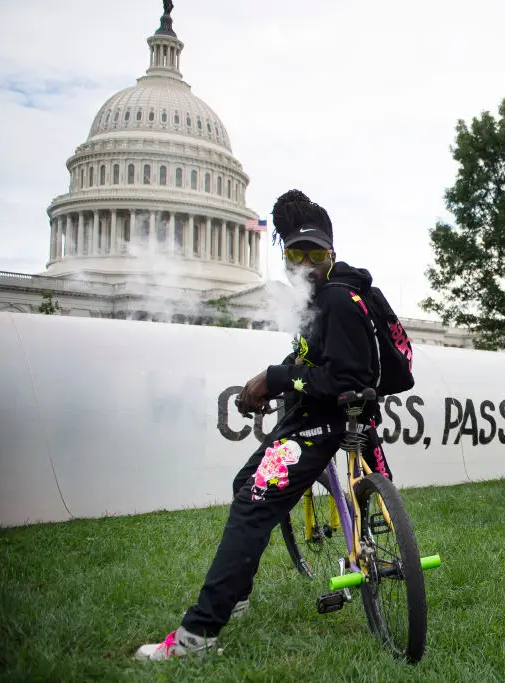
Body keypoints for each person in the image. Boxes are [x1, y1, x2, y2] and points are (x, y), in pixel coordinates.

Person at [136, 189, 391, 661]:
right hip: (318, 417)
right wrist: (276, 377)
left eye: (318, 254)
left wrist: (275, 378)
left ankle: (198, 634)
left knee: (253, 504)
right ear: (285, 255)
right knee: (245, 483)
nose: (308, 264)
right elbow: (313, 358)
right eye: (297, 254)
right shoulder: (329, 295)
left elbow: (346, 378)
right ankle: (238, 596)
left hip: (324, 422)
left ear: (332, 252)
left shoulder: (336, 298)